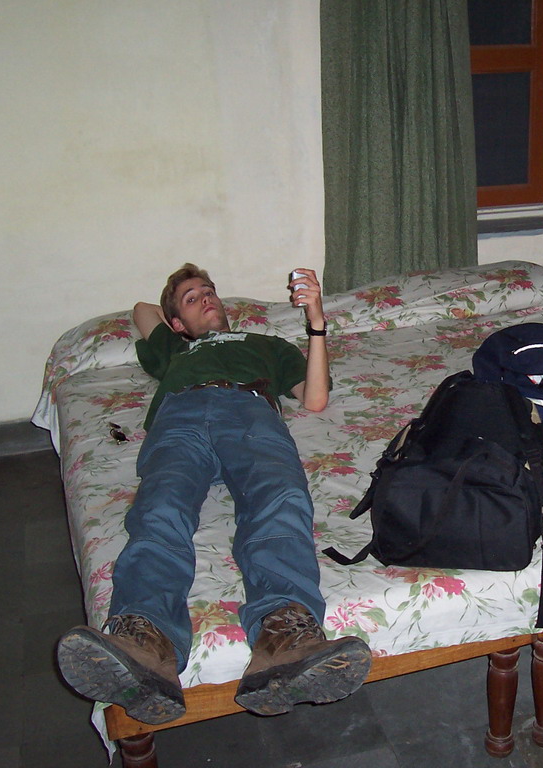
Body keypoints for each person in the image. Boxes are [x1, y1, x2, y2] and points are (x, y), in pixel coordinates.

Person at [56, 264, 371, 725]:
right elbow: (143, 311)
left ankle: (286, 639)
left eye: (210, 291)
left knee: (280, 501)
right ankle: (144, 641)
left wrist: (317, 322)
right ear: (177, 324)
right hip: (181, 415)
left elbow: (315, 398)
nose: (207, 298)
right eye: (192, 298)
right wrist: (178, 314)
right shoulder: (173, 351)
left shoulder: (266, 345)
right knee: (161, 507)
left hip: (250, 411)